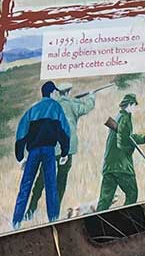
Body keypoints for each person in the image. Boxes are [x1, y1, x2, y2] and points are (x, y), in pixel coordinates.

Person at [23, 86, 95, 221]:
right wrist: (91, 96)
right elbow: (87, 107)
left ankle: (30, 210)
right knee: (61, 180)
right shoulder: (73, 105)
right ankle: (54, 214)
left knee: (41, 180)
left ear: (58, 92)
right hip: (66, 149)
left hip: (50, 146)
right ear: (68, 92)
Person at [12, 81, 72, 226]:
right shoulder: (56, 107)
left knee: (25, 185)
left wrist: (20, 157)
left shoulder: (33, 110)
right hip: (49, 151)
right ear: (52, 93)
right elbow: (65, 131)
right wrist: (64, 152)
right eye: (55, 92)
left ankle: (16, 222)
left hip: (32, 152)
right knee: (51, 185)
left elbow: (21, 134)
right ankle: (53, 220)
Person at [97, 90, 145, 210]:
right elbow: (123, 141)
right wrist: (130, 149)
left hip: (109, 166)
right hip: (121, 166)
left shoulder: (118, 117)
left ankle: (96, 222)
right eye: (134, 105)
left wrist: (143, 139)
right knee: (132, 194)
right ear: (129, 104)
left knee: (105, 200)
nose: (134, 108)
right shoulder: (125, 118)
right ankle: (124, 217)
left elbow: (126, 136)